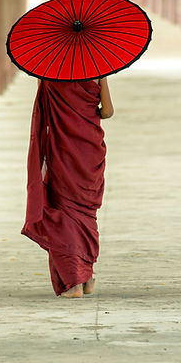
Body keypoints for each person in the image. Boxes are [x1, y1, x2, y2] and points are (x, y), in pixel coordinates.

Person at [22, 78, 114, 298]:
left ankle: (73, 283)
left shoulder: (46, 71)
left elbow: (44, 105)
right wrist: (87, 113)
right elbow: (108, 111)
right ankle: (87, 276)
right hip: (90, 148)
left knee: (62, 211)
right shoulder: (98, 68)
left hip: (61, 148)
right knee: (85, 212)